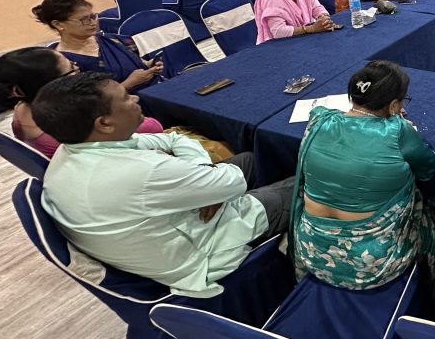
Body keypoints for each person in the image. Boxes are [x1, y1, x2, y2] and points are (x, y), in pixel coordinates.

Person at [34, 72, 293, 297]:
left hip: (165, 231)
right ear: (104, 123)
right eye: (125, 98)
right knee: (303, 184)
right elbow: (232, 182)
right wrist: (211, 185)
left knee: (248, 160)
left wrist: (206, 181)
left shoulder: (74, 148)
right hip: (201, 255)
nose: (135, 98)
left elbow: (172, 139)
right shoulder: (141, 171)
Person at [291, 60, 435, 316]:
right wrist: (403, 129)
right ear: (394, 106)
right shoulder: (397, 131)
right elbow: (428, 170)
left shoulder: (318, 121)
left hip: (311, 251)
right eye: (403, 101)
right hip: (372, 266)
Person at [0, 47, 164, 158]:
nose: (77, 67)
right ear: (54, 83)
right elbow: (152, 127)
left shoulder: (22, 106)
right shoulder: (74, 120)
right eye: (72, 68)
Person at [33, 0, 164, 93]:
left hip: (157, 91)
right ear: (58, 24)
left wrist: (150, 65)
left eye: (93, 16)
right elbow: (85, 102)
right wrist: (130, 83)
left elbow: (137, 61)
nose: (93, 23)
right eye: (84, 19)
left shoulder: (113, 39)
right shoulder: (64, 63)